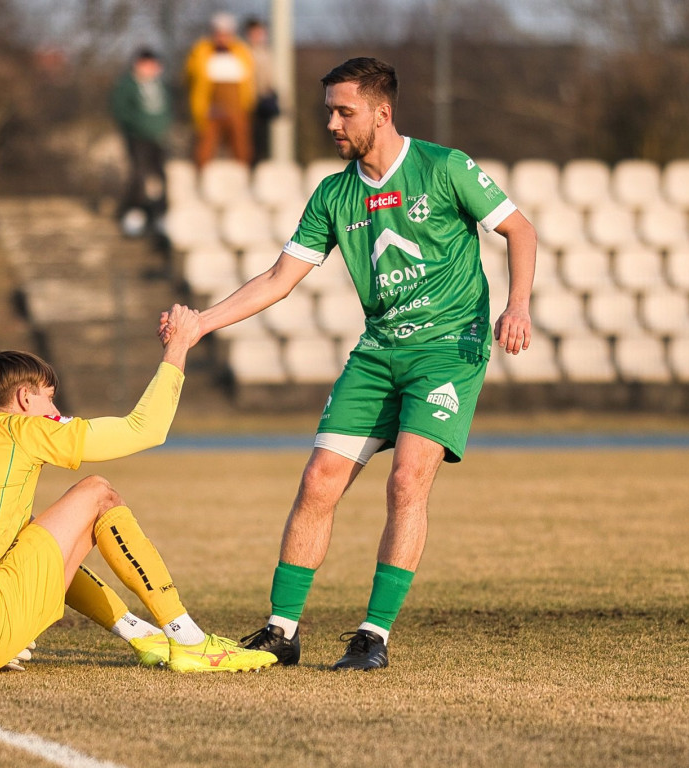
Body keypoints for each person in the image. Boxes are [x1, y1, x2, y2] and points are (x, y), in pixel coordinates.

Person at [160, 58, 536, 670]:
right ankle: (282, 631)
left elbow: (521, 231)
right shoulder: (334, 193)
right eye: (328, 111)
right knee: (317, 484)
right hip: (378, 352)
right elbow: (280, 279)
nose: (332, 122)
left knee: (407, 481)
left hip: (448, 349)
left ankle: (373, 637)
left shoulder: (445, 167)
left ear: (382, 112)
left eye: (345, 111)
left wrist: (517, 306)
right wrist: (203, 322)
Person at [0, 305, 277, 674]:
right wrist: (178, 347)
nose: (55, 411)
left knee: (29, 532)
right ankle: (189, 640)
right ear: (24, 397)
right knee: (97, 493)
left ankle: (140, 634)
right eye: (49, 399)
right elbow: (146, 429)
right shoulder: (25, 429)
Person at [110, 48, 172, 238]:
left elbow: (167, 109)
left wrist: (163, 126)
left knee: (161, 175)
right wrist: (136, 125)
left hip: (157, 137)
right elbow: (120, 109)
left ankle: (160, 215)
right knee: (139, 173)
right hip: (136, 137)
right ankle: (132, 213)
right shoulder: (127, 85)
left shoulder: (160, 86)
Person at [184, 12, 256, 168]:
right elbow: (191, 75)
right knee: (205, 147)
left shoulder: (241, 51)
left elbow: (248, 79)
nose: (222, 37)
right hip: (210, 109)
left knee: (241, 147)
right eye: (219, 33)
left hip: (236, 107)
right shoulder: (201, 51)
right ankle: (201, 176)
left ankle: (242, 175)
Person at [244, 17, 279, 165]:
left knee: (261, 140)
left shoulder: (266, 53)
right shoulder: (243, 52)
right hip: (247, 103)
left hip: (262, 104)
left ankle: (260, 163)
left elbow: (269, 79)